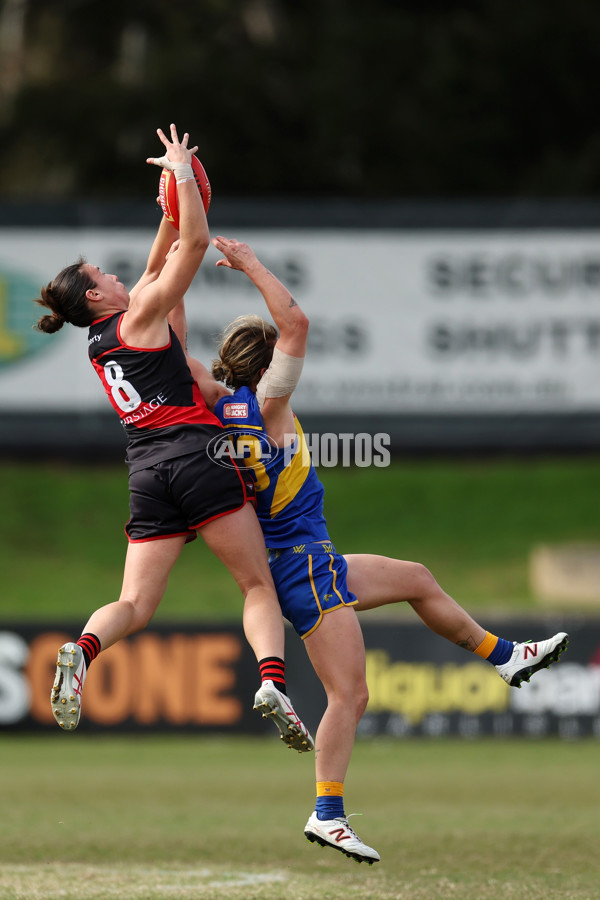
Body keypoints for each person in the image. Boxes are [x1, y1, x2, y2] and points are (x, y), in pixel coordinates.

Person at [184, 235, 569, 865]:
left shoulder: (215, 404)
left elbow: (175, 351)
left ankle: (507, 657)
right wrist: (251, 265)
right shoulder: (270, 406)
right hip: (304, 565)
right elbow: (297, 321)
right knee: (350, 695)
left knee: (416, 578)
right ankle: (327, 813)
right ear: (267, 363)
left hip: (301, 563)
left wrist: (174, 255)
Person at [33, 125, 312, 754]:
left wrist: (164, 209)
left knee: (133, 602)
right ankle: (272, 681)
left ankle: (81, 650)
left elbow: (158, 263)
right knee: (256, 586)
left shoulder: (101, 342)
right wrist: (183, 175)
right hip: (199, 458)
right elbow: (192, 243)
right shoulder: (140, 316)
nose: (114, 273)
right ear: (98, 295)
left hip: (146, 473)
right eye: (102, 272)